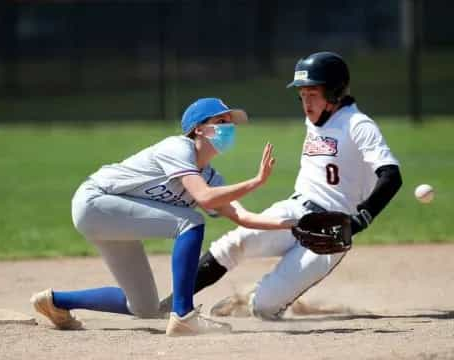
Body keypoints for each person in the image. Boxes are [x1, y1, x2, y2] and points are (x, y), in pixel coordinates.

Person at [158, 52, 403, 320]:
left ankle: (252, 299)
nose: (305, 102)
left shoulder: (359, 125)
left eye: (313, 93)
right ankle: (172, 304)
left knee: (263, 308)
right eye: (302, 94)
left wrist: (360, 220)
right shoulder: (315, 118)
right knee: (233, 243)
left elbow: (391, 175)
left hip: (331, 231)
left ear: (334, 93)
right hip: (294, 208)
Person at [30, 97, 295, 336]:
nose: (229, 127)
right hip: (95, 202)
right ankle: (184, 315)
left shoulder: (212, 177)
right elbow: (203, 198)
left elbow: (244, 217)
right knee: (190, 221)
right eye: (221, 121)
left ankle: (55, 302)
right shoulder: (178, 148)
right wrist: (256, 182)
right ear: (198, 129)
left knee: (144, 307)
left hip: (116, 218)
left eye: (230, 122)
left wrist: (292, 226)